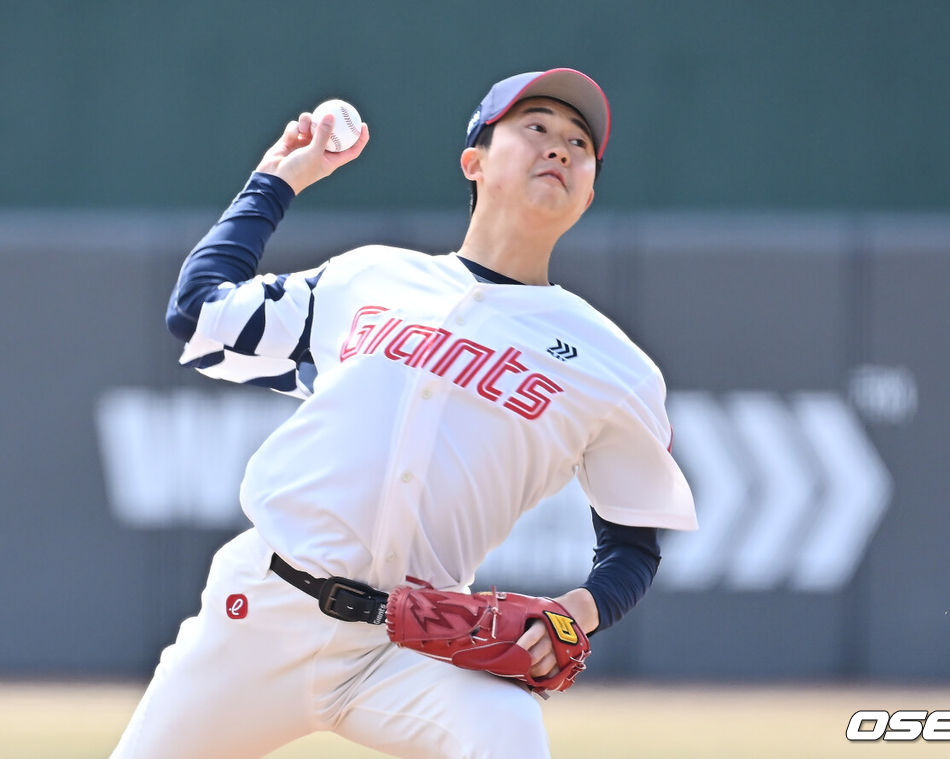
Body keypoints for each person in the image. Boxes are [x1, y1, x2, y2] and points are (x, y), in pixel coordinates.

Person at [111, 68, 696, 759]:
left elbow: (634, 543)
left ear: (588, 194)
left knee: (509, 735)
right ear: (473, 162)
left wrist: (580, 610)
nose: (561, 148)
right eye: (536, 127)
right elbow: (200, 312)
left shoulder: (614, 366)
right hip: (260, 615)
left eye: (579, 143)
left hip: (410, 642)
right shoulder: (370, 277)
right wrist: (277, 178)